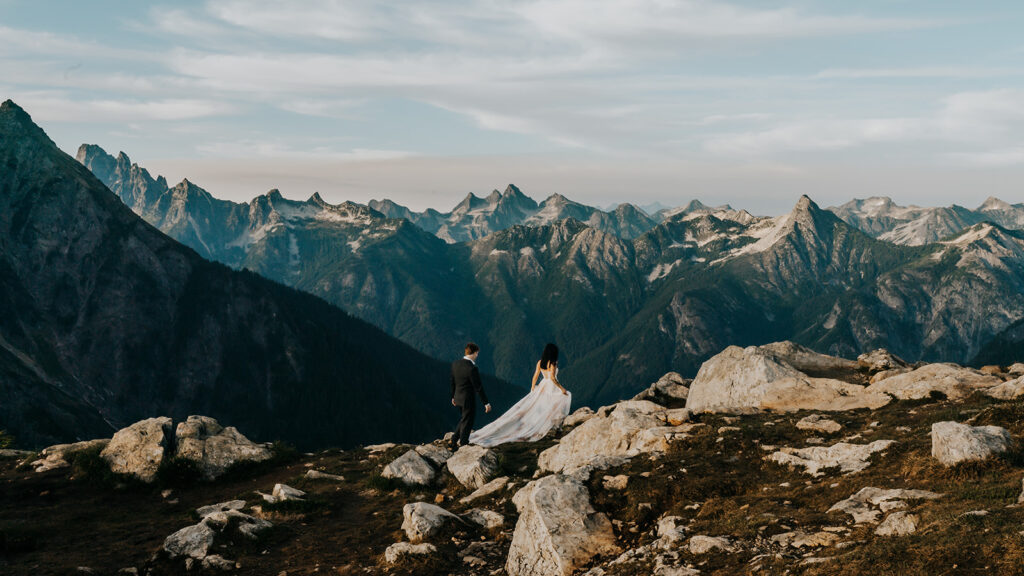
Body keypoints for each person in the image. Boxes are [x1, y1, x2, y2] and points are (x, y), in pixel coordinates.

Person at [469, 343, 570, 447]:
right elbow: (553, 378)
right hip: (551, 386)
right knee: (561, 401)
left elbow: (535, 376)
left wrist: (533, 388)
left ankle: (549, 426)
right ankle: (557, 428)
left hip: (543, 385)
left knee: (542, 406)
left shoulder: (540, 362)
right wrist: (562, 389)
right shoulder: (552, 363)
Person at [450, 342, 491, 451]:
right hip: (468, 399)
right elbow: (478, 387)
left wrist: (453, 397)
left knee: (464, 418)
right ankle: (463, 444)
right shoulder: (472, 368)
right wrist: (486, 403)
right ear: (474, 353)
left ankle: (453, 439)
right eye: (477, 353)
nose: (477, 355)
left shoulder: (455, 364)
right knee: (468, 421)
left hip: (458, 397)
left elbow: (453, 382)